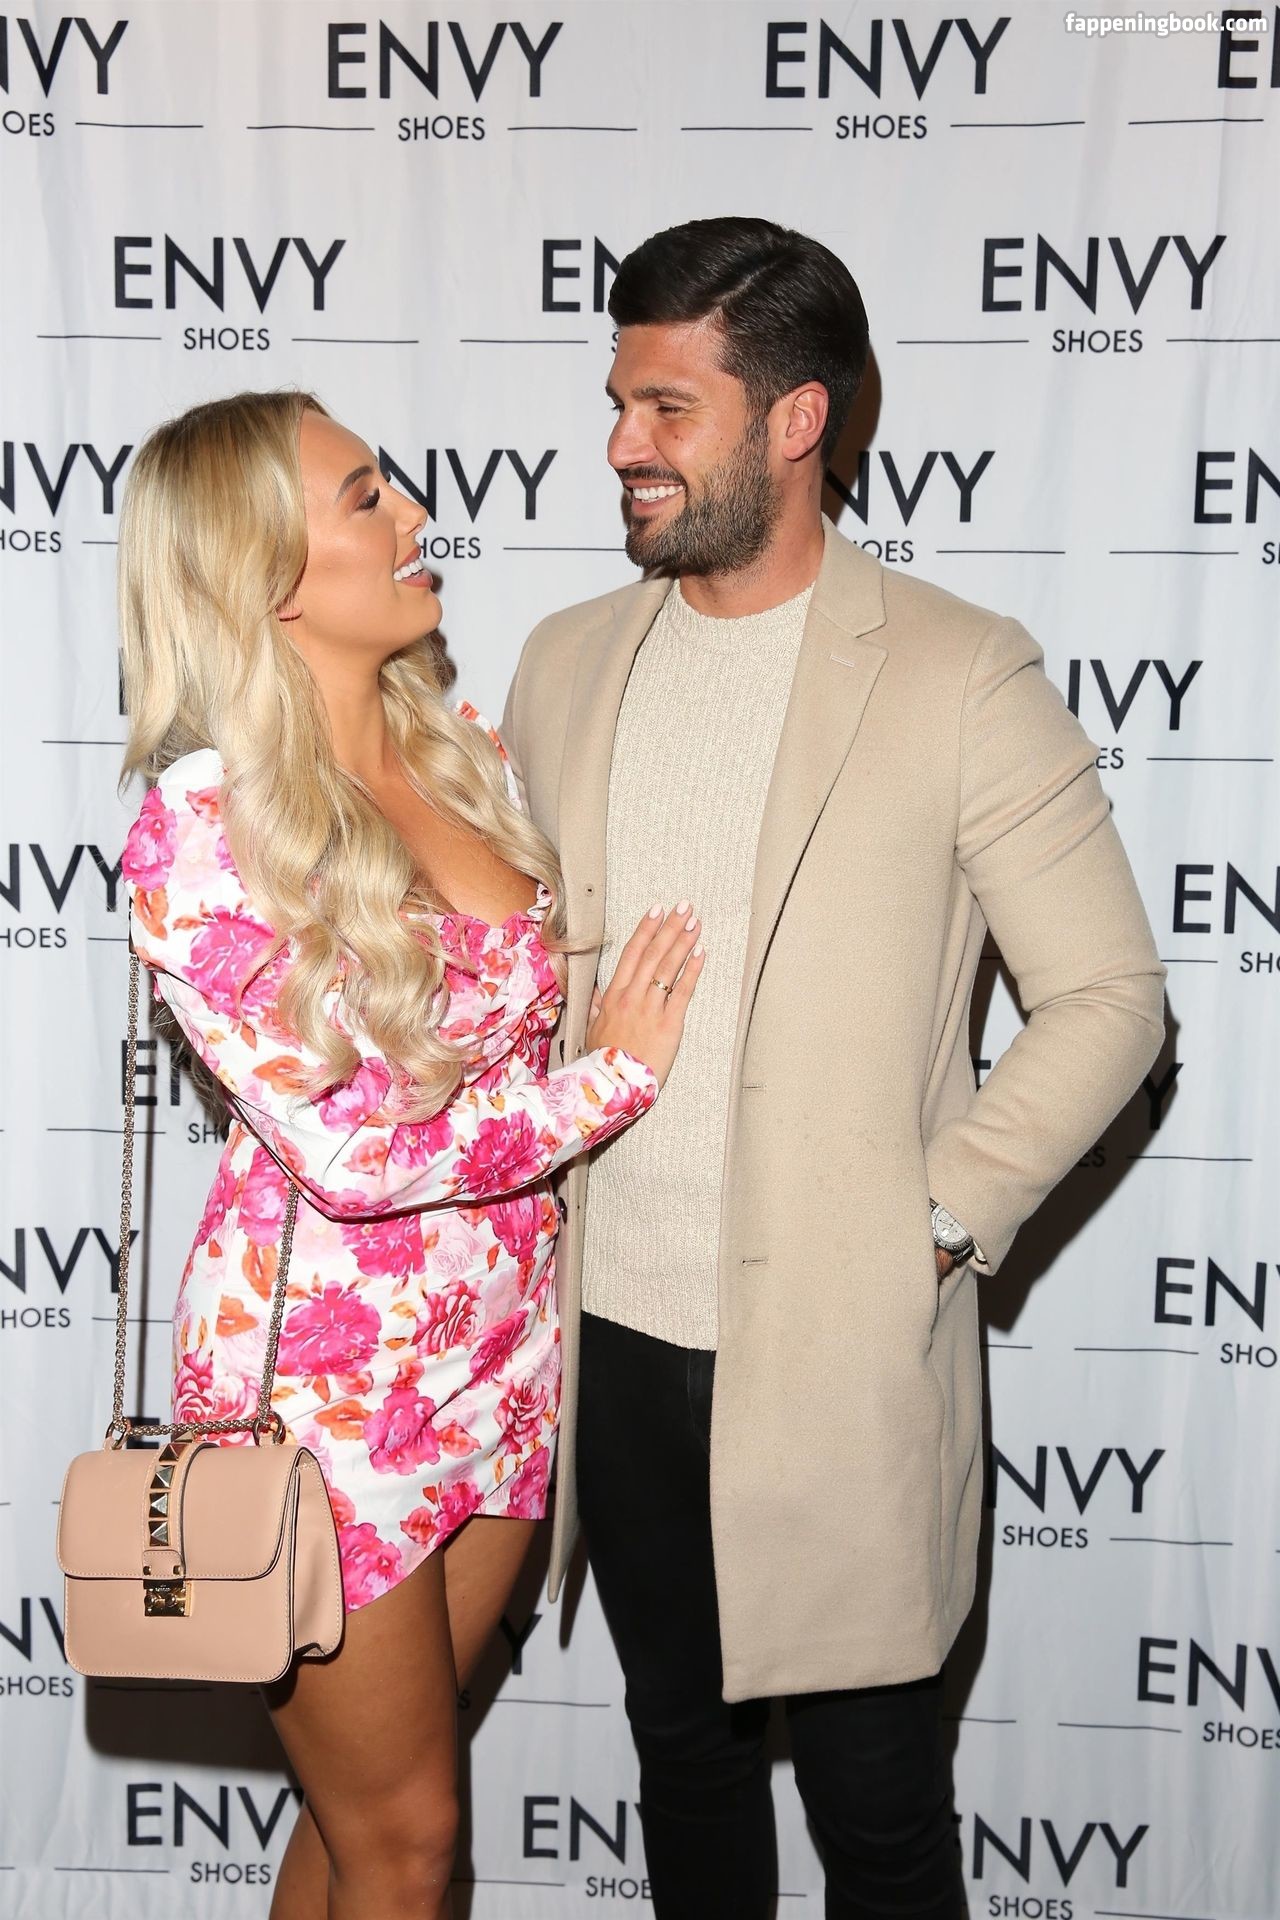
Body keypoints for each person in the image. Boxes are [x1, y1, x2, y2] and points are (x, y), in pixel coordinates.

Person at [500, 218, 1166, 1918]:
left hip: (843, 1357)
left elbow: (1107, 997)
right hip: (615, 1345)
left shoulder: (957, 670)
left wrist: (934, 1225)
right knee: (683, 1768)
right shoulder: (565, 661)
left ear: (796, 420)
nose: (623, 445)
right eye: (618, 402)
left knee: (879, 1823)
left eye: (668, 407)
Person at [117, 389, 704, 1920]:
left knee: (367, 1821)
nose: (415, 517)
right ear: (262, 572)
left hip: (506, 1360)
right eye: (364, 498)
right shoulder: (202, 829)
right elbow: (358, 1155)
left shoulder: (463, 750)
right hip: (328, 1395)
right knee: (414, 1839)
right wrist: (614, 1083)